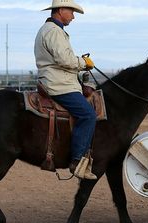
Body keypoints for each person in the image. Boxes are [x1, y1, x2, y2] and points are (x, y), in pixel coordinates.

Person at [34, 0, 97, 179]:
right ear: (61, 10)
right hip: (58, 84)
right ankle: (77, 161)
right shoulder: (54, 31)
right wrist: (84, 63)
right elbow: (65, 60)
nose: (73, 16)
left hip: (58, 80)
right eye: (71, 11)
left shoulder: (51, 30)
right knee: (88, 115)